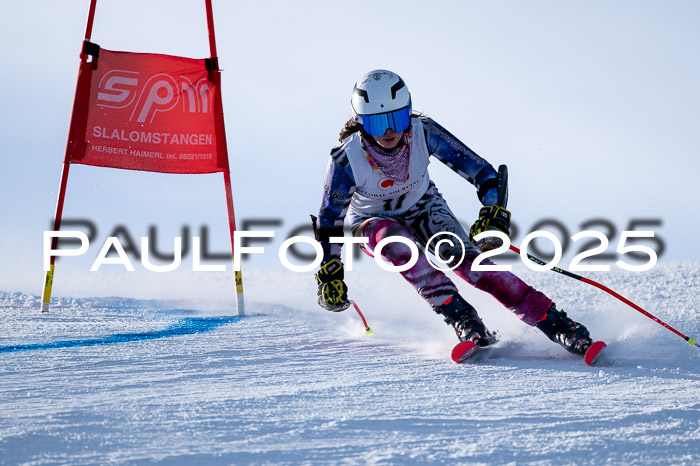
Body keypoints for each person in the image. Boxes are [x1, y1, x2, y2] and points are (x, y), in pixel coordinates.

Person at [312, 69, 594, 356]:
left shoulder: (424, 132)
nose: (388, 131)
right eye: (376, 123)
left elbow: (483, 173)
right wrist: (330, 272)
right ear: (360, 123)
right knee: (397, 245)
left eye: (396, 119)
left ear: (408, 112)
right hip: (371, 222)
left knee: (469, 264)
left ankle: (558, 324)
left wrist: (492, 211)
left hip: (424, 206)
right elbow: (330, 221)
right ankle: (464, 320)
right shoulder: (346, 160)